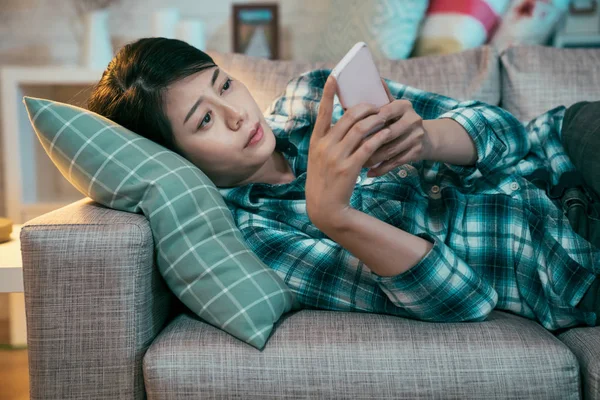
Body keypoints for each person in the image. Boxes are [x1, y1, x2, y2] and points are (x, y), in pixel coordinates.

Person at [88, 37, 600, 332]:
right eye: (204, 121)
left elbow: (507, 131)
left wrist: (426, 138)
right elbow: (466, 300)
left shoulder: (313, 98)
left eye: (224, 84)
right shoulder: (255, 237)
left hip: (562, 144)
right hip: (568, 258)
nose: (236, 115)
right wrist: (335, 217)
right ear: (174, 157)